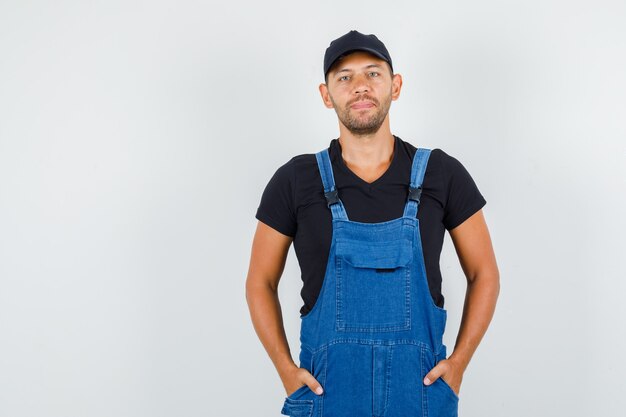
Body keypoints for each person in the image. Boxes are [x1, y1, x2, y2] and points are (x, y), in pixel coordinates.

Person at [245, 30, 500, 417]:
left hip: (419, 394)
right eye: (344, 77)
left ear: (395, 86)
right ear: (325, 94)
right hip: (326, 395)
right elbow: (259, 282)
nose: (360, 87)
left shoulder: (441, 174)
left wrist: (459, 364)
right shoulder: (295, 180)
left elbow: (485, 273)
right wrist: (285, 370)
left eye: (373, 74)